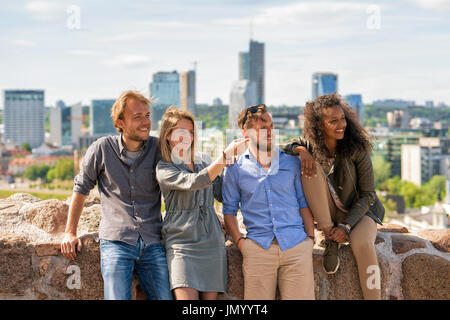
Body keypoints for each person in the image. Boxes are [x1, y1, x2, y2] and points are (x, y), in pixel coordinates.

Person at [60, 90, 172, 300]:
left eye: (147, 115)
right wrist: (70, 232)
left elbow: (181, 184)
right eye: (137, 117)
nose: (146, 122)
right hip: (116, 242)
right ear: (119, 122)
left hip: (152, 242)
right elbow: (81, 189)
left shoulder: (158, 148)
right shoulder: (101, 149)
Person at [280, 93, 385, 300]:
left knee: (363, 244)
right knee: (309, 169)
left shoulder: (356, 149)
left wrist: (346, 226)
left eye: (343, 118)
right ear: (319, 125)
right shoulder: (310, 146)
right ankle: (330, 238)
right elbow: (284, 147)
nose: (341, 125)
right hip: (329, 215)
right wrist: (302, 151)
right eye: (333, 121)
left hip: (360, 212)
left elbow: (368, 195)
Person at [222, 104, 316, 300]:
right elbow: (229, 210)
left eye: (272, 126)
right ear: (246, 132)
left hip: (296, 246)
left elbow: (302, 202)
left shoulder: (291, 162)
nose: (271, 132)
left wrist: (310, 239)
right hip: (258, 250)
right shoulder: (235, 168)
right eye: (263, 128)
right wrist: (241, 243)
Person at [155, 106, 248, 300]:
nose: (187, 137)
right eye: (181, 132)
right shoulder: (164, 168)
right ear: (167, 136)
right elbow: (195, 182)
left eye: (190, 132)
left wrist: (235, 167)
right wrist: (223, 158)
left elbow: (224, 194)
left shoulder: (204, 163)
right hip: (181, 244)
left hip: (212, 242)